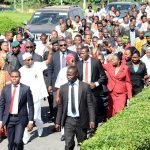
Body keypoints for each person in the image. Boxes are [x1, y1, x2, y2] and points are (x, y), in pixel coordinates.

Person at [55, 66, 95, 150]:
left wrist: (92, 120)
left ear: (76, 74)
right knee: (68, 144)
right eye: (67, 75)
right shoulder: (63, 88)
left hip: (81, 120)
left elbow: (90, 104)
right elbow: (60, 107)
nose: (68, 77)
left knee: (83, 143)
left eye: (70, 75)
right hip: (68, 120)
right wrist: (58, 122)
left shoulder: (85, 87)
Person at [19, 49, 52, 144]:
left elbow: (48, 61)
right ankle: (26, 134)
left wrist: (50, 51)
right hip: (26, 97)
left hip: (37, 96)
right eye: (28, 60)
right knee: (27, 117)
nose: (30, 61)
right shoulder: (21, 70)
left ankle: (40, 126)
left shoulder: (37, 65)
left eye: (31, 59)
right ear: (24, 61)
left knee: (36, 117)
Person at [0, 70, 34, 150]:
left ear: (20, 77)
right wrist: (1, 121)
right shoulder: (5, 89)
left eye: (16, 77)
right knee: (11, 142)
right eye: (12, 77)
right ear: (10, 78)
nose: (14, 79)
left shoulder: (26, 89)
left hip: (20, 119)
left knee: (18, 141)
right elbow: (1, 106)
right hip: (9, 119)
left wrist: (31, 121)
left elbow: (31, 106)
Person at [76, 46, 108, 127]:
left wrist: (96, 84)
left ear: (88, 53)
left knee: (93, 109)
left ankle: (94, 129)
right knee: (83, 109)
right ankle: (86, 127)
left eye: (83, 53)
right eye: (80, 53)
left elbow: (103, 76)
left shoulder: (96, 62)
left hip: (94, 90)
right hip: (82, 90)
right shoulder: (78, 64)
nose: (81, 55)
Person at [103, 53, 132, 118]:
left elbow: (128, 82)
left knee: (119, 112)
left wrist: (130, 95)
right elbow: (98, 65)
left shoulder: (125, 68)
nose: (112, 61)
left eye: (114, 59)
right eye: (112, 59)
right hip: (111, 93)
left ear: (119, 60)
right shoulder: (109, 66)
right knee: (111, 112)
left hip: (121, 94)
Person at [55, 54, 75, 141]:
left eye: (74, 60)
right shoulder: (62, 71)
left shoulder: (77, 70)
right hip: (64, 95)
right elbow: (58, 84)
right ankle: (63, 133)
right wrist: (57, 96)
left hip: (75, 94)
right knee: (63, 113)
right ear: (67, 61)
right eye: (71, 60)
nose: (73, 62)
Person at [0, 58, 11, 141]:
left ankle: (3, 132)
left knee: (3, 115)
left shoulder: (5, 73)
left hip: (2, 98)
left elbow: (9, 86)